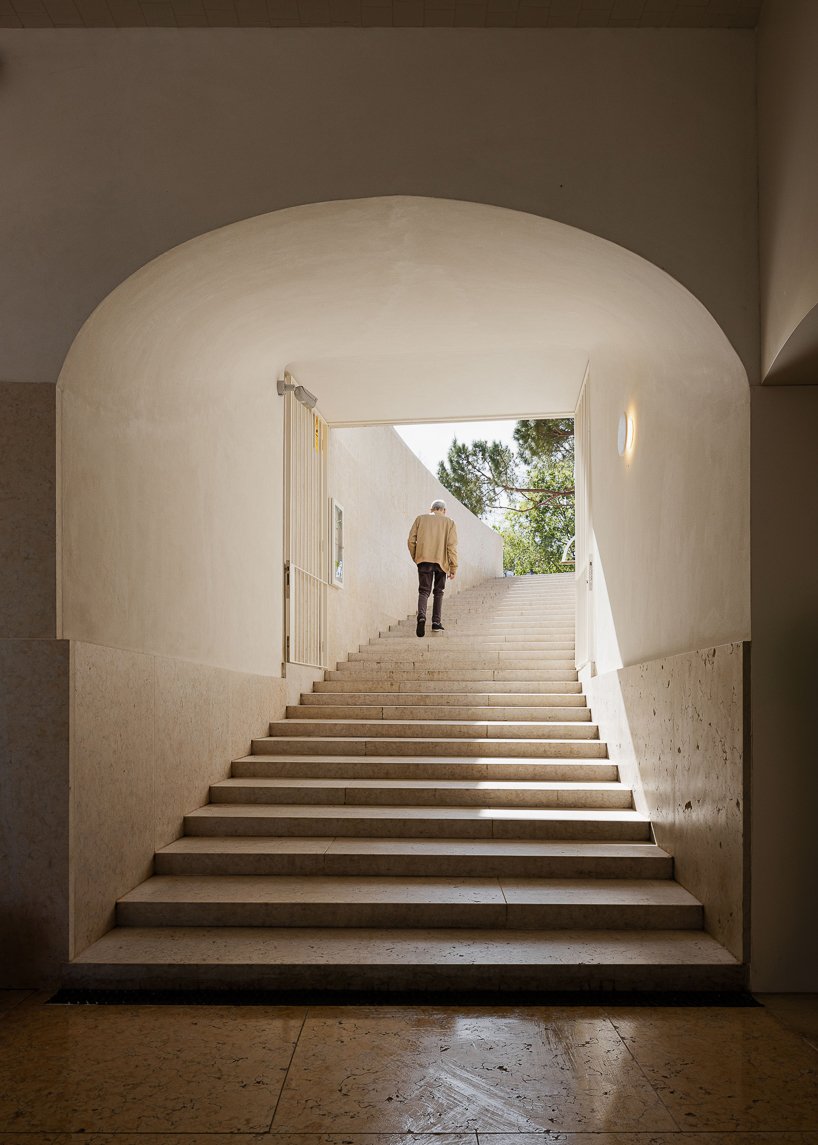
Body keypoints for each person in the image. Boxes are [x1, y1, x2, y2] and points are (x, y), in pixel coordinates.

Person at [407, 499, 458, 637]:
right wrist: (453, 567)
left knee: (424, 591)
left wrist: (417, 557)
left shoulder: (420, 519)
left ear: (431, 509)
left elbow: (411, 540)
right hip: (441, 562)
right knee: (438, 591)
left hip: (423, 560)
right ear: (444, 510)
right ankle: (436, 622)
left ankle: (422, 616)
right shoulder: (450, 523)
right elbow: (451, 547)